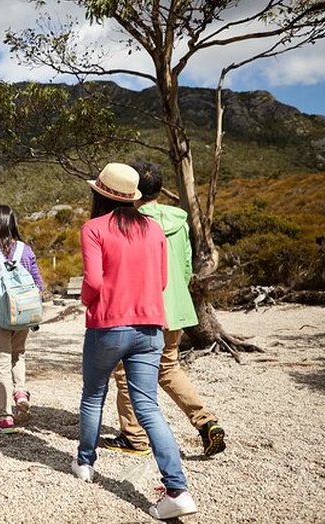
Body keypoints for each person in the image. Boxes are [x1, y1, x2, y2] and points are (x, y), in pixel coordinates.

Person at [71, 163, 197, 521]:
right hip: (150, 328)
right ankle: (177, 489)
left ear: (100, 193)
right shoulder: (154, 229)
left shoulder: (93, 229)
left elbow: (93, 281)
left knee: (94, 395)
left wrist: (86, 299)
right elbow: (160, 281)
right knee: (148, 408)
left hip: (108, 326)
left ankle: (85, 463)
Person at [102, 160, 227, 458]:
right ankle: (206, 422)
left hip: (143, 310)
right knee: (168, 367)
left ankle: (134, 437)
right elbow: (185, 268)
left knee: (125, 371)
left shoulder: (130, 223)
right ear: (159, 189)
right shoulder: (179, 221)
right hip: (177, 308)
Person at [0, 204, 45, 434]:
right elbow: (38, 285)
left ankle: (5, 416)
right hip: (24, 313)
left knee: (1, 360)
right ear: (12, 223)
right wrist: (33, 312)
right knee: (18, 354)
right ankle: (20, 392)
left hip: (0, 313)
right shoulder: (26, 249)